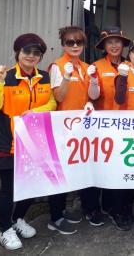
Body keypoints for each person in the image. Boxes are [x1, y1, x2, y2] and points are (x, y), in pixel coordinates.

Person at [0, 33, 56, 250]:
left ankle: (18, 219)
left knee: (32, 186)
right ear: (18, 52)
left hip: (35, 143)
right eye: (27, 51)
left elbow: (52, 103)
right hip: (9, 142)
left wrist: (36, 111)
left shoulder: (44, 77)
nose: (31, 56)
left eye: (36, 53)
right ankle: (5, 229)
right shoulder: (5, 77)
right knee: (8, 188)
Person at [48, 26, 102, 233]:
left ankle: (86, 209)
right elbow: (59, 97)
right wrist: (67, 77)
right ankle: (56, 216)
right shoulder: (58, 66)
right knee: (61, 172)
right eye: (70, 42)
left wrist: (92, 88)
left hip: (83, 128)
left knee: (83, 168)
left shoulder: (86, 67)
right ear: (63, 45)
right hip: (62, 129)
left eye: (79, 42)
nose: (75, 45)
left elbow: (92, 96)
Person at [89, 26, 132, 230]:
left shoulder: (131, 65)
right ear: (104, 46)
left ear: (123, 44)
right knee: (107, 168)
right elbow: (93, 95)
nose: (114, 45)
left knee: (123, 167)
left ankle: (119, 207)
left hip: (129, 126)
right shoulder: (96, 66)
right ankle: (109, 207)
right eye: (110, 42)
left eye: (118, 42)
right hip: (104, 128)